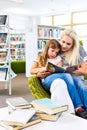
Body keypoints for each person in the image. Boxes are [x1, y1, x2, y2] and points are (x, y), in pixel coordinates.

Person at [37, 28, 87, 119]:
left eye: (68, 44)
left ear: (73, 44)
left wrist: (69, 70)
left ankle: (83, 110)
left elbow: (85, 71)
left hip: (69, 78)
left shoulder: (78, 50)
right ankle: (78, 107)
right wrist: (39, 72)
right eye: (62, 42)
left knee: (77, 80)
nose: (64, 45)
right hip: (53, 78)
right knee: (68, 78)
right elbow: (38, 64)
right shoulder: (54, 48)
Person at [30, 38, 75, 113]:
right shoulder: (40, 57)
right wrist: (42, 69)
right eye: (52, 51)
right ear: (47, 48)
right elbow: (31, 70)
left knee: (60, 82)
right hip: (45, 80)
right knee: (67, 76)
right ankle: (76, 106)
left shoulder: (58, 59)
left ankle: (66, 111)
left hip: (55, 78)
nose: (54, 54)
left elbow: (59, 71)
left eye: (56, 52)